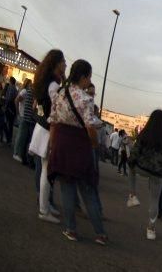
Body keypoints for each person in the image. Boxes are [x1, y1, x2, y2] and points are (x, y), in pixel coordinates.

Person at [47, 60, 108, 244]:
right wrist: (95, 144)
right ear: (83, 77)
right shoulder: (85, 99)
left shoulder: (60, 94)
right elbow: (90, 126)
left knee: (67, 189)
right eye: (89, 77)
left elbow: (53, 120)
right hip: (80, 146)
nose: (89, 81)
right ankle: (100, 233)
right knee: (88, 189)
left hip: (62, 142)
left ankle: (71, 229)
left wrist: (52, 145)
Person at [31, 49, 66, 224]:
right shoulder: (54, 85)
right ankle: (44, 209)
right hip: (48, 130)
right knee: (46, 171)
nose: (65, 65)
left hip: (42, 127)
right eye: (63, 62)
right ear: (56, 63)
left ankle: (45, 205)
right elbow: (57, 108)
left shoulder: (45, 80)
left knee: (46, 170)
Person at [126, 109, 162, 241]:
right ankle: (151, 229)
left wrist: (131, 163)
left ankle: (133, 195)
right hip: (157, 173)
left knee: (131, 168)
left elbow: (135, 152)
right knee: (154, 201)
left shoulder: (144, 134)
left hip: (141, 168)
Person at [13, 78, 35, 164]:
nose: (31, 85)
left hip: (23, 115)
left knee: (21, 135)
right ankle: (16, 153)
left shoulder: (25, 91)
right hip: (23, 115)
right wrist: (18, 112)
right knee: (21, 136)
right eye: (30, 83)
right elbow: (17, 100)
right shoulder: (25, 91)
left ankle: (17, 153)